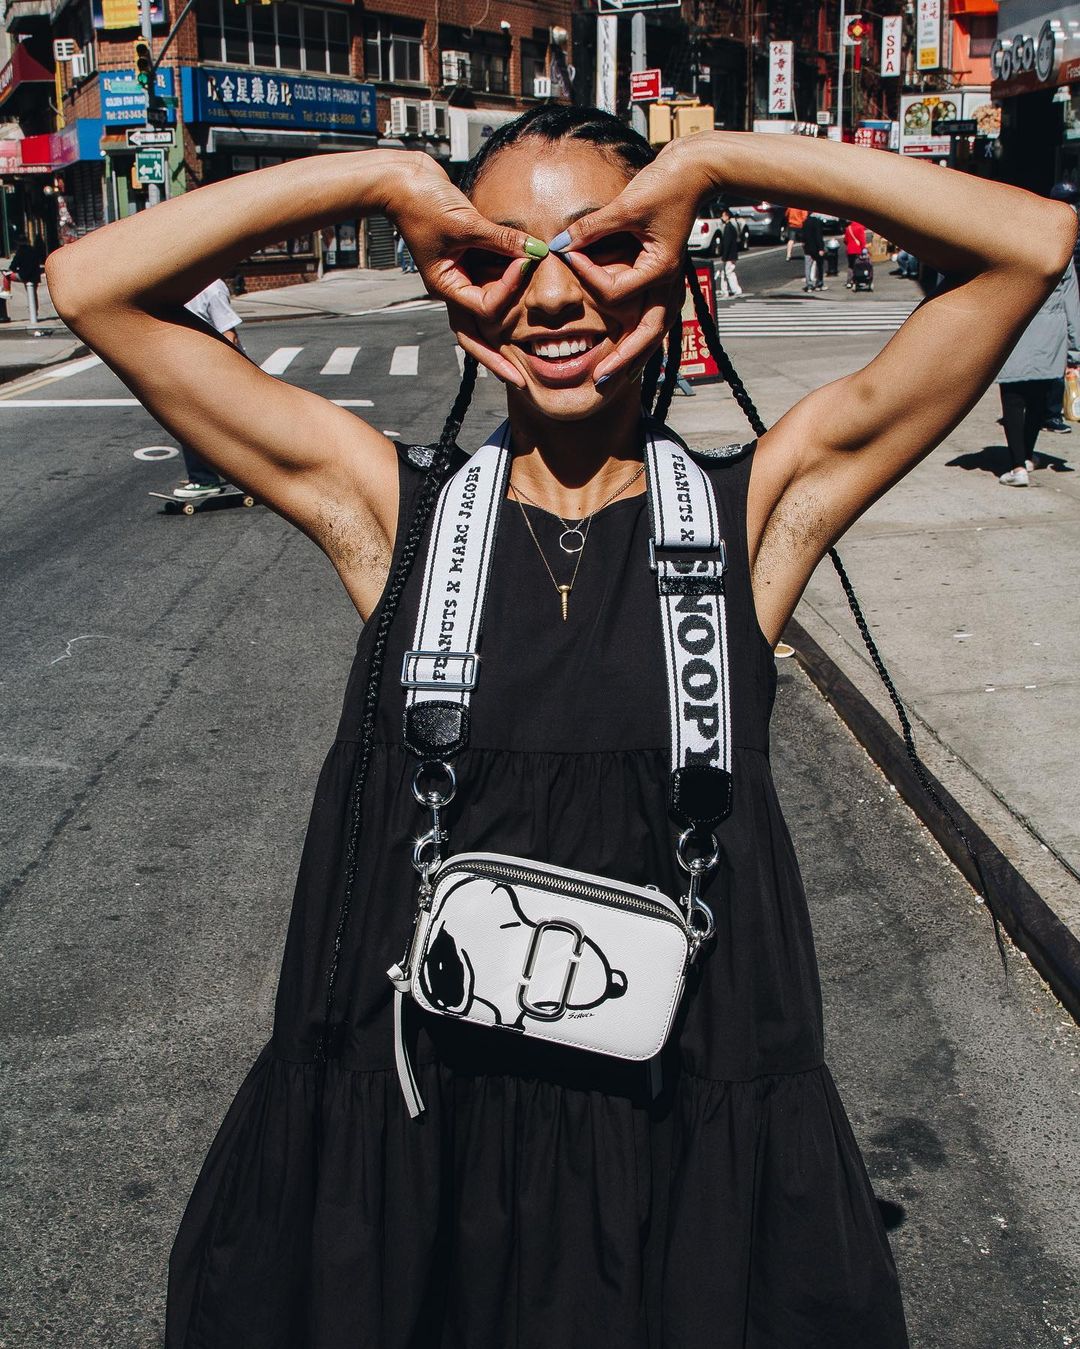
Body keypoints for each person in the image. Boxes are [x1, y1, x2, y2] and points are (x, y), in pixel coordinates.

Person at [45, 106, 1073, 1347]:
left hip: (673, 1153)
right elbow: (89, 283)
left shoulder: (753, 519)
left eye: (603, 246)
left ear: (673, 260)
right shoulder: (393, 517)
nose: (553, 297)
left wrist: (712, 162)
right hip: (427, 1141)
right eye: (500, 258)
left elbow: (1032, 240)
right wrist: (384, 179)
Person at [995, 257, 1080, 484]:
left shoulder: (1007, 245)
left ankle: (1018, 467)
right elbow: (1071, 303)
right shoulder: (1061, 251)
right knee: (1037, 401)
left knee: (1013, 399)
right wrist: (1075, 352)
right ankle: (1027, 457)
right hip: (1050, 333)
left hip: (1014, 327)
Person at [173, 279, 245, 499]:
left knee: (191, 423)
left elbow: (229, 334)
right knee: (200, 424)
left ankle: (204, 480)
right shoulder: (183, 287)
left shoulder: (212, 290)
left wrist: (223, 376)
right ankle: (207, 476)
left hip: (215, 370)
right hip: (196, 368)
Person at [1044, 181, 1080, 432]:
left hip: (1063, 295)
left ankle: (1052, 412)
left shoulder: (1051, 224)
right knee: (1061, 356)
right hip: (1065, 295)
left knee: (1057, 357)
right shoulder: (1065, 224)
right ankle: (1052, 412)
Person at [8, 233, 43, 325]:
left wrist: (16, 269)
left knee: (6, 276)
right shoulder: (33, 250)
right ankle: (34, 312)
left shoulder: (20, 252)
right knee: (33, 294)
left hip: (24, 276)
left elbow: (12, 266)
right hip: (35, 276)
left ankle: (6, 291)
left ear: (18, 243)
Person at [716, 205, 742, 297]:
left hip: (729, 256)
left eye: (723, 216)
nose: (721, 217)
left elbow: (727, 243)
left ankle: (736, 290)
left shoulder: (728, 228)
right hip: (732, 255)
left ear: (727, 216)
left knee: (729, 273)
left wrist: (724, 256)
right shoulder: (731, 227)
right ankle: (725, 291)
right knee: (725, 273)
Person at [802, 210, 827, 290]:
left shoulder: (805, 222)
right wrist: (821, 248)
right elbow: (818, 236)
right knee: (819, 266)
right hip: (816, 248)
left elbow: (803, 236)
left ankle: (808, 284)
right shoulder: (817, 222)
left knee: (807, 266)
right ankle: (819, 283)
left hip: (808, 247)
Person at [844, 218, 867, 288]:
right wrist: (863, 248)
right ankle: (857, 280)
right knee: (858, 265)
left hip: (850, 250)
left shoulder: (848, 228)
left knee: (850, 266)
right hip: (858, 250)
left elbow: (845, 240)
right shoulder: (860, 227)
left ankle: (849, 282)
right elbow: (862, 240)